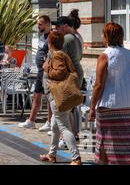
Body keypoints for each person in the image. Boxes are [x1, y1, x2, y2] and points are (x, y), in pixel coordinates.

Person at [89, 22, 130, 165]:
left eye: (103, 34)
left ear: (107, 36)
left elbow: (98, 84)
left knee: (105, 143)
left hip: (110, 106)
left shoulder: (105, 55)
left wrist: (92, 107)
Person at [40, 31, 82, 165]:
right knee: (54, 126)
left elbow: (60, 72)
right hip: (60, 96)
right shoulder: (61, 54)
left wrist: (47, 68)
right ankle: (52, 154)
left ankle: (76, 158)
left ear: (50, 43)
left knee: (64, 127)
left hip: (58, 96)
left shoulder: (57, 55)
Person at [19, 15, 53, 131]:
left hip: (46, 72)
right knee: (36, 96)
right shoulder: (42, 36)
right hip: (39, 71)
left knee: (48, 98)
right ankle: (32, 120)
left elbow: (51, 54)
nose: (38, 26)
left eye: (40, 24)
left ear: (48, 24)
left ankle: (49, 122)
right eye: (38, 24)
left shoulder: (51, 37)